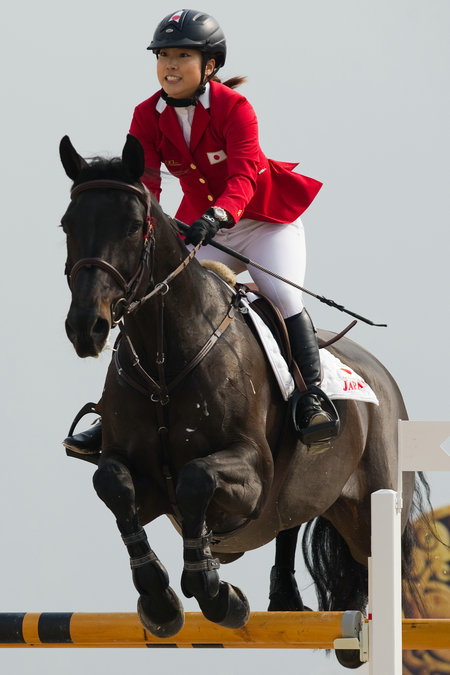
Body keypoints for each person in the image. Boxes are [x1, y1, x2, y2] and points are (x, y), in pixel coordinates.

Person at [64, 8, 339, 457]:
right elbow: (146, 186)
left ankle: (311, 399)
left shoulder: (236, 109)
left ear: (209, 65)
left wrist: (220, 215)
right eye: (163, 55)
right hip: (200, 224)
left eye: (182, 56)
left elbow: (245, 176)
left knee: (285, 298)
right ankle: (112, 411)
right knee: (149, 295)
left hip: (263, 221)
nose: (170, 65)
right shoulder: (145, 115)